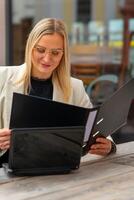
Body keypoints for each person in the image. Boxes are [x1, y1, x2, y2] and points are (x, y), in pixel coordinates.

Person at [0, 18, 116, 166]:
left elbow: (95, 125)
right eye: (41, 50)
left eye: (55, 52)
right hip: (6, 172)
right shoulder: (2, 77)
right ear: (30, 47)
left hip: (57, 170)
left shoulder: (75, 87)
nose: (47, 59)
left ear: (63, 54)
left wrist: (109, 145)